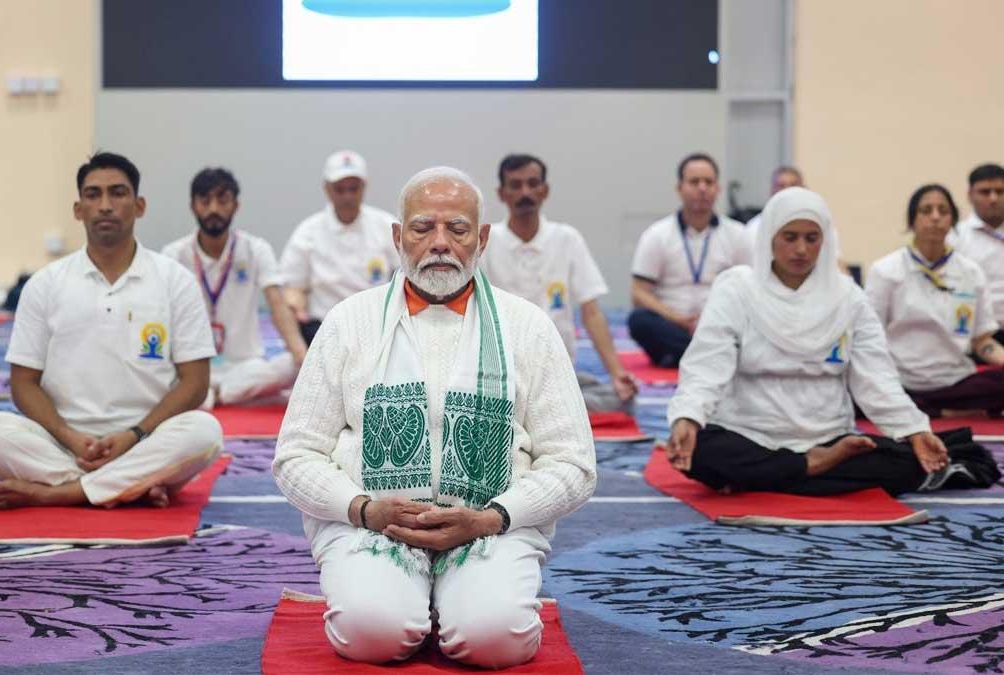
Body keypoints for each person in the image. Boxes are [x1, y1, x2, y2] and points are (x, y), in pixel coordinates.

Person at [274, 167, 595, 668]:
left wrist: (492, 518)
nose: (440, 243)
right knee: (371, 635)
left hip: (492, 525)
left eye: (458, 229)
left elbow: (574, 464)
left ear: (483, 238)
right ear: (398, 237)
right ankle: (415, 596)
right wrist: (364, 509)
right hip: (373, 526)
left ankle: (459, 597)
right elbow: (295, 455)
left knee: (494, 641)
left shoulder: (528, 328)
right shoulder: (347, 322)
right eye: (423, 228)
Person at [666, 187, 997, 496]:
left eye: (812, 238)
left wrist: (914, 430)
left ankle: (778, 474)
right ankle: (811, 467)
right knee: (701, 453)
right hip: (749, 431)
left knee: (903, 460)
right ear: (769, 238)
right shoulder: (736, 289)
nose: (800, 249)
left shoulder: (847, 296)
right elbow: (708, 364)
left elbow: (876, 378)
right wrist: (688, 418)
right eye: (789, 237)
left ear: (824, 240)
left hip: (827, 434)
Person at [0, 152, 222, 509]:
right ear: (78, 209)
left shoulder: (175, 281)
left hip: (146, 436)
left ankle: (63, 492)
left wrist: (134, 436)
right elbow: (23, 383)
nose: (105, 205)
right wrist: (70, 438)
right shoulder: (45, 284)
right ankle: (130, 485)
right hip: (63, 444)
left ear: (139, 205)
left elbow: (195, 382)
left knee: (205, 433)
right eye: (93, 195)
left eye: (118, 193)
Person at [481, 153, 638, 411]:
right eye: (516, 185)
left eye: (533, 184)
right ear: (501, 193)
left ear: (545, 190)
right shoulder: (486, 242)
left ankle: (548, 407)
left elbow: (592, 312)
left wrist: (617, 373)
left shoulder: (567, 238)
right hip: (503, 370)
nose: (525, 192)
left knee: (624, 400)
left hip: (556, 367)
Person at [161, 168, 307, 407]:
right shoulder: (174, 255)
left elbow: (277, 305)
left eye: (222, 200)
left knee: (291, 364)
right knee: (165, 376)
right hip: (194, 364)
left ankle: (216, 394)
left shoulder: (256, 249)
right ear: (193, 206)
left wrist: (302, 356)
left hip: (246, 365)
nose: (214, 209)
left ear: (236, 205)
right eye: (205, 201)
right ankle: (224, 394)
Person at [865, 184, 1004, 417]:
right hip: (902, 380)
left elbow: (983, 342)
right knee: (856, 392)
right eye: (926, 210)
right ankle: (939, 410)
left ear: (953, 221)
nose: (935, 217)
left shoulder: (971, 272)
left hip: (956, 381)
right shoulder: (885, 270)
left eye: (943, 210)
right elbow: (869, 337)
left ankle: (930, 409)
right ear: (912, 221)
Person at [628, 153, 751, 367]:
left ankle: (686, 355)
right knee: (639, 321)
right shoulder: (657, 234)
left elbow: (749, 288)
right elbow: (639, 292)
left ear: (718, 188)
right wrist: (678, 319)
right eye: (694, 182)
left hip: (720, 322)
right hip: (673, 323)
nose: (702, 188)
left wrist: (712, 319)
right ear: (679, 188)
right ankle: (710, 355)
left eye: (709, 182)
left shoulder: (738, 234)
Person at [280, 150, 397, 345]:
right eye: (340, 189)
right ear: (326, 189)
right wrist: (296, 309)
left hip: (378, 328)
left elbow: (406, 275)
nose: (347, 197)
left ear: (364, 187)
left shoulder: (386, 226)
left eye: (354, 189)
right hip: (324, 330)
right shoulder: (307, 233)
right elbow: (293, 288)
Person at [955, 163, 1004, 338]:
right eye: (985, 192)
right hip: (978, 335)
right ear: (970, 195)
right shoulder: (955, 237)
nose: (993, 198)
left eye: (1000, 191)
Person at [743, 165, 803, 234]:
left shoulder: (813, 223)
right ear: (772, 190)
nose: (787, 190)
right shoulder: (755, 227)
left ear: (803, 188)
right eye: (781, 186)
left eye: (793, 185)